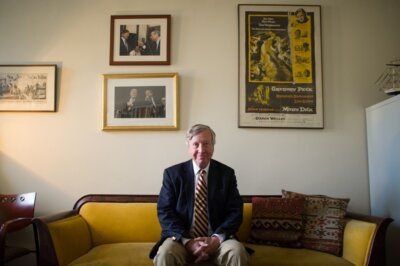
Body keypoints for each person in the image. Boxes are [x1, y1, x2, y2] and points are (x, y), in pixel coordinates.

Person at [150, 124, 248, 266]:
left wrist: (216, 239)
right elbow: (165, 212)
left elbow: (235, 212)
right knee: (166, 253)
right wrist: (188, 242)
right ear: (188, 147)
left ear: (213, 146)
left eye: (206, 144)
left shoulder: (226, 174)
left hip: (218, 240)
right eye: (196, 144)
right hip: (181, 240)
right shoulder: (172, 174)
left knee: (237, 252)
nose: (201, 150)